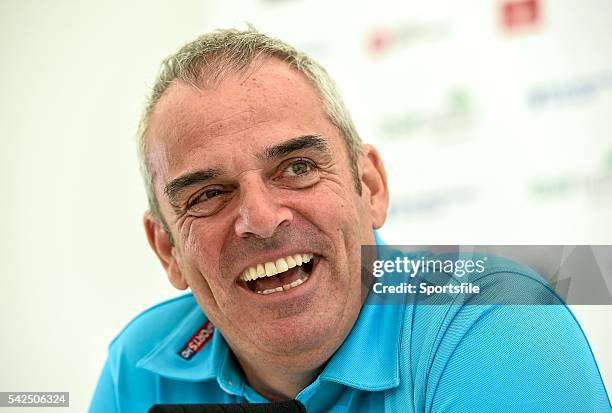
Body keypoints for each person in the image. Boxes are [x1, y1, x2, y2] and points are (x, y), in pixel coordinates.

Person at [89, 28, 611, 412]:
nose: (262, 220)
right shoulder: (139, 365)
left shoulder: (500, 319)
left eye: (297, 168)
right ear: (167, 250)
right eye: (208, 194)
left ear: (371, 188)